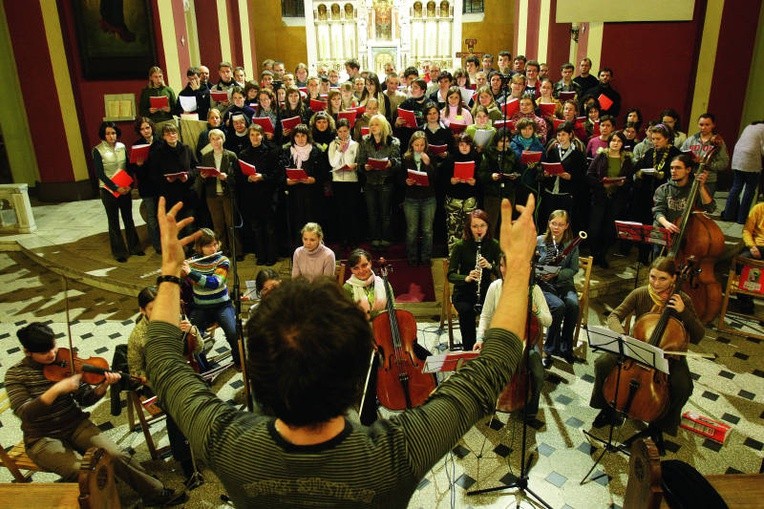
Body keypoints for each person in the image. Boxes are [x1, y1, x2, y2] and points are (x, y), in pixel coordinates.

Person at [144, 193, 533, 507]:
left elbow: (163, 360)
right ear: (355, 375)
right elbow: (492, 367)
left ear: (257, 378)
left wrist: (169, 272)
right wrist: (516, 270)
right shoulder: (397, 452)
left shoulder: (228, 444)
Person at [5, 322, 187, 506]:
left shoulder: (65, 361)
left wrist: (104, 385)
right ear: (27, 352)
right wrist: (57, 389)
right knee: (81, 471)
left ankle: (155, 493)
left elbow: (86, 399)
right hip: (42, 437)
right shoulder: (16, 375)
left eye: (53, 347)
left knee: (116, 454)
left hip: (75, 424)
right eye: (44, 353)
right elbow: (25, 413)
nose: (52, 354)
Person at [589, 256, 704, 454]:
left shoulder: (683, 300)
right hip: (637, 350)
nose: (656, 283)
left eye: (662, 279)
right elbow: (615, 315)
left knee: (683, 386)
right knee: (602, 364)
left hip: (668, 355)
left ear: (674, 279)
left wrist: (684, 313)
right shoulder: (641, 293)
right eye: (652, 277)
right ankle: (607, 408)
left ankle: (659, 426)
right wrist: (623, 336)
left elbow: (699, 336)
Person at [127, 287, 203, 488]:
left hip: (185, 372)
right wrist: (154, 380)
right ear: (142, 310)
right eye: (153, 308)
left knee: (204, 401)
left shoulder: (176, 319)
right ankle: (187, 464)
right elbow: (135, 371)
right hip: (158, 383)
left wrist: (192, 331)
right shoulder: (138, 336)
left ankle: (206, 446)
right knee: (177, 411)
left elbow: (199, 348)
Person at [474, 253, 552, 421]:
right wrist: (480, 339)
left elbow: (549, 321)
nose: (505, 270)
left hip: (527, 344)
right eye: (502, 266)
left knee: (538, 373)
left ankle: (530, 409)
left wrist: (536, 310)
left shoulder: (533, 290)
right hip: (499, 342)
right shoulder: (495, 287)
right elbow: (485, 317)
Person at [182, 228, 240, 368]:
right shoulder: (192, 262)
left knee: (233, 333)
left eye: (215, 244)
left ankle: (239, 361)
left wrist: (191, 273)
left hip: (222, 305)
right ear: (199, 247)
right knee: (192, 338)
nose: (213, 248)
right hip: (200, 307)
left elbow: (215, 283)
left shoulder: (223, 261)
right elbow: (185, 280)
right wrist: (180, 270)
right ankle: (205, 369)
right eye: (208, 246)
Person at [448, 209, 502, 351]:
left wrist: (490, 266)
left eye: (482, 225)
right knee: (466, 312)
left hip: (486, 291)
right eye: (475, 226)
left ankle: (490, 349)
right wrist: (466, 277)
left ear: (488, 226)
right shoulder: (460, 246)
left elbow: (503, 272)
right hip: (464, 292)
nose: (479, 230)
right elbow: (451, 275)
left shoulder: (494, 245)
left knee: (496, 313)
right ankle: (469, 351)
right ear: (469, 228)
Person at [93, 121, 143, 263]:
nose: (111, 136)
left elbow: (127, 166)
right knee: (114, 221)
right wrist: (115, 188)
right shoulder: (97, 150)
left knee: (128, 219)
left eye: (113, 133)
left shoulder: (122, 147)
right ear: (103, 135)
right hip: (108, 189)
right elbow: (100, 173)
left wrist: (130, 184)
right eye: (108, 133)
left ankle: (135, 248)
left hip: (124, 187)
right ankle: (119, 252)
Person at [537, 210, 580, 367]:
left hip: (564, 283)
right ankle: (548, 350)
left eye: (561, 224)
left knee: (573, 305)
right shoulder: (539, 241)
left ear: (566, 226)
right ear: (549, 223)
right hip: (544, 285)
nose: (556, 227)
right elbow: (531, 264)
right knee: (559, 307)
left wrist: (557, 274)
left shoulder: (572, 244)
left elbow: (574, 269)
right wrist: (541, 272)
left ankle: (565, 347)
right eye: (554, 223)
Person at [587, 130, 633, 268]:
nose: (616, 143)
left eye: (619, 141)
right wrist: (602, 183)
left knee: (609, 230)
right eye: (613, 140)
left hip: (617, 198)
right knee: (594, 229)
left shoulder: (627, 159)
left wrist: (623, 183)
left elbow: (630, 179)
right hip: (600, 197)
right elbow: (589, 175)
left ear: (623, 144)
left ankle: (602, 256)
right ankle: (594, 255)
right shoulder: (601, 155)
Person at [238, 124, 280, 266]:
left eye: (257, 134)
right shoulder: (243, 154)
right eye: (252, 135)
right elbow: (240, 176)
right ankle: (260, 256)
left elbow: (276, 175)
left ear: (262, 135)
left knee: (270, 228)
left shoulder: (271, 152)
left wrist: (262, 177)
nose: (255, 138)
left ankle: (272, 256)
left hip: (267, 195)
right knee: (256, 228)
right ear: (249, 137)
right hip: (252, 196)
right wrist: (248, 178)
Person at [358, 114, 401, 247]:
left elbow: (398, 162)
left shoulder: (393, 142)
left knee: (385, 212)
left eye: (376, 124)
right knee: (372, 212)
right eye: (371, 125)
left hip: (385, 181)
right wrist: (365, 167)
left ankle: (386, 237)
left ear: (383, 126)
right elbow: (360, 162)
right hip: (370, 182)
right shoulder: (365, 141)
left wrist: (390, 163)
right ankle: (375, 237)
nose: (373, 127)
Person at [653, 154, 716, 237]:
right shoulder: (663, 189)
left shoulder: (696, 188)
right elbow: (658, 211)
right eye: (672, 168)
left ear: (688, 170)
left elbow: (710, 208)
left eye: (678, 168)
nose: (673, 171)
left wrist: (701, 187)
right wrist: (667, 224)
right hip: (665, 230)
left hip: (688, 232)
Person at [401, 131, 437, 266]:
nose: (419, 148)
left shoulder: (430, 156)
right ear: (411, 145)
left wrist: (428, 164)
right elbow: (400, 177)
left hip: (428, 198)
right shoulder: (406, 158)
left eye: (422, 145)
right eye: (416, 145)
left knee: (427, 230)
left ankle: (426, 258)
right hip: (411, 198)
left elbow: (436, 178)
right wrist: (406, 181)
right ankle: (412, 258)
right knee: (412, 230)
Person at [328, 118, 362, 250]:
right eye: (340, 131)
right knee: (341, 211)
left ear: (350, 130)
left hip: (352, 180)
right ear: (337, 131)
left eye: (345, 131)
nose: (343, 134)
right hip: (338, 181)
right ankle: (344, 239)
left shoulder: (355, 145)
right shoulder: (332, 144)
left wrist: (355, 165)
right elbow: (333, 163)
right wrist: (339, 150)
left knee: (352, 211)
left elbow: (359, 162)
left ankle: (354, 239)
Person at [130, 117, 162, 254]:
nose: (145, 131)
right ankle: (157, 245)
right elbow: (133, 170)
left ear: (151, 128)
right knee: (152, 218)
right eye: (142, 129)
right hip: (147, 187)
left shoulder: (161, 142)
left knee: (164, 215)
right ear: (139, 131)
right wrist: (139, 166)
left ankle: (167, 241)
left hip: (162, 186)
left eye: (147, 128)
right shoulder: (137, 145)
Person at [722, 121, 764, 224]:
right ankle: (742, 218)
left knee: (736, 187)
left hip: (738, 158)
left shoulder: (751, 125)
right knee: (749, 189)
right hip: (750, 159)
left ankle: (728, 215)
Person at [445, 133, 481, 253]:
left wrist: (475, 182)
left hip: (470, 199)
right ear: (457, 146)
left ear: (471, 146)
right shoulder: (451, 158)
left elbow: (482, 177)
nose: (464, 147)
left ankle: (469, 256)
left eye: (467, 144)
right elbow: (442, 177)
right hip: (454, 199)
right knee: (453, 229)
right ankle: (453, 256)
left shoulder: (476, 157)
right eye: (461, 145)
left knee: (470, 228)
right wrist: (451, 180)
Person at [680, 113, 730, 197]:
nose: (703, 128)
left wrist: (706, 163)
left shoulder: (718, 142)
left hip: (708, 181)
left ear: (713, 125)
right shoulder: (691, 139)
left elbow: (724, 163)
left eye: (707, 125)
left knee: (704, 207)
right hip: (690, 178)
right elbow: (681, 156)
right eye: (701, 124)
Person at [735, 202, 764, 313]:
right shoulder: (758, 208)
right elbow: (747, 230)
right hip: (757, 246)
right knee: (740, 261)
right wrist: (751, 246)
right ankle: (745, 301)